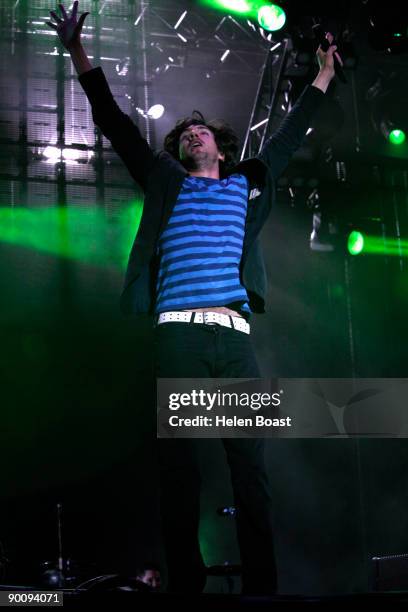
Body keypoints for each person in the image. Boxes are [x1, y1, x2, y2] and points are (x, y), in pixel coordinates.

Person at [46, 1, 341, 595]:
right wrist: (78, 51)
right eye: (183, 134)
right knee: (179, 470)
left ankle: (262, 587)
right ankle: (187, 585)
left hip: (233, 341)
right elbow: (114, 122)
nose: (191, 134)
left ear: (221, 148)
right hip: (179, 334)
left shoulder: (245, 183)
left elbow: (287, 135)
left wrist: (324, 75)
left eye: (200, 131)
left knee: (249, 470)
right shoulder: (164, 180)